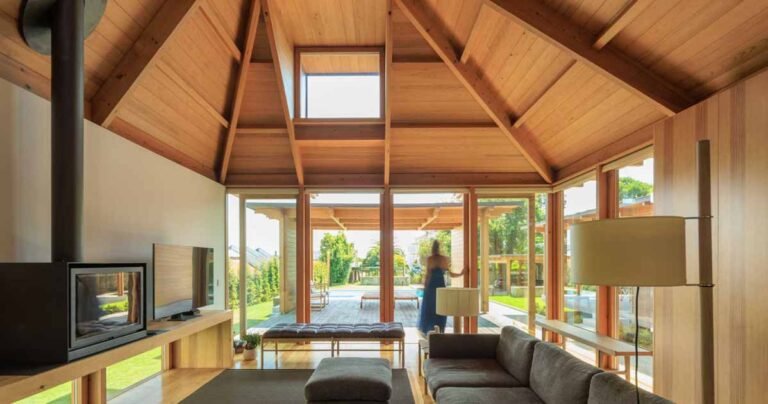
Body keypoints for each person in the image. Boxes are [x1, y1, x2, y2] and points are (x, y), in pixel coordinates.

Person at [417, 240, 466, 335]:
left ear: (432, 248)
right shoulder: (443, 259)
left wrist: (425, 287)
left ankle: (431, 331)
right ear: (439, 248)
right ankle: (440, 330)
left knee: (430, 309)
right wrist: (461, 274)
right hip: (440, 286)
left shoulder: (430, 259)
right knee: (441, 308)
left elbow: (427, 275)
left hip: (431, 286)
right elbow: (450, 274)